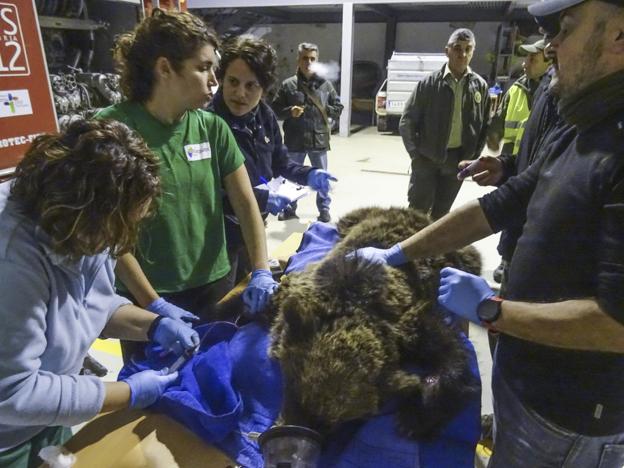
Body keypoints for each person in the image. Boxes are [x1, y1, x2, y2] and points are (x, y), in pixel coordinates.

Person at [353, 0, 624, 465]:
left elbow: (617, 324)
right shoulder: (580, 128)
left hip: (569, 416)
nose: (553, 45)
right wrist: (397, 252)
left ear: (619, 36)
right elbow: (502, 203)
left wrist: (491, 310)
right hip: (524, 375)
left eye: (568, 28)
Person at [0, 120, 199, 467]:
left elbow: (92, 305)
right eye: (115, 228)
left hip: (45, 416)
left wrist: (152, 324)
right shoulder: (12, 263)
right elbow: (13, 392)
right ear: (84, 212)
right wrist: (128, 393)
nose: (118, 241)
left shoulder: (76, 227)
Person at [97, 10, 276, 347]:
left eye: (214, 69)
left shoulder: (211, 128)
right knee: (154, 393)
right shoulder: (112, 130)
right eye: (203, 67)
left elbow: (245, 203)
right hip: (146, 294)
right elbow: (106, 233)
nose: (215, 80)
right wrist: (152, 304)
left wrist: (261, 268)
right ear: (165, 68)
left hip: (214, 284)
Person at [207, 36, 337, 287]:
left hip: (254, 228)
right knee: (224, 296)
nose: (240, 93)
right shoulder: (209, 124)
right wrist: (262, 198)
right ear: (221, 79)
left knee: (251, 284)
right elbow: (209, 193)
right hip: (220, 237)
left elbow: (281, 163)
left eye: (251, 85)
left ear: (264, 89)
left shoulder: (263, 115)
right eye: (233, 82)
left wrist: (308, 174)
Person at [399, 28, 491, 220]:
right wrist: (416, 156)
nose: (463, 54)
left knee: (442, 214)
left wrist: (473, 156)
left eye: (468, 49)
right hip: (427, 159)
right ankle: (411, 249)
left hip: (457, 162)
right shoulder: (429, 84)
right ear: (447, 51)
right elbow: (407, 121)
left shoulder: (480, 86)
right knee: (416, 211)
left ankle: (432, 250)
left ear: (473, 51)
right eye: (457, 48)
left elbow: (484, 125)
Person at [272, 42, 344, 223]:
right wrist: (290, 112)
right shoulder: (288, 85)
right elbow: (274, 109)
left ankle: (324, 209)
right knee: (290, 177)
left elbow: (338, 106)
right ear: (298, 59)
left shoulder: (325, 85)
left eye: (313, 58)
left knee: (322, 178)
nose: (309, 62)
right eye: (305, 58)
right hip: (295, 140)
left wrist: (326, 110)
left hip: (318, 140)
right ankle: (288, 208)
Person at [488, 36, 552, 157]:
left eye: (532, 60)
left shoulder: (556, 95)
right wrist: (493, 135)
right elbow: (498, 121)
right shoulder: (515, 90)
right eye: (526, 58)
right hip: (509, 166)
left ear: (549, 63)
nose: (524, 64)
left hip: (537, 166)